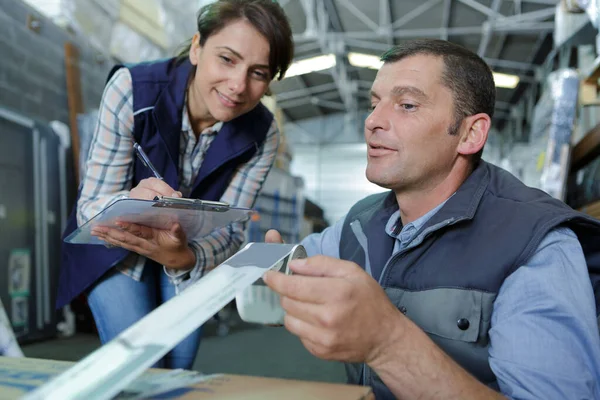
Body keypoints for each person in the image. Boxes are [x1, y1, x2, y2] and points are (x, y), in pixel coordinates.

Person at [263, 39, 600, 399]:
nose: (373, 121)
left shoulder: (535, 245)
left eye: (407, 105)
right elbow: (283, 263)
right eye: (374, 104)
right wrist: (224, 253)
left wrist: (388, 343)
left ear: (470, 134)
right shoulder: (360, 223)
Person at [57, 0, 293, 370]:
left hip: (189, 252)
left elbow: (232, 230)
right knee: (140, 367)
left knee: (177, 366)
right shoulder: (131, 90)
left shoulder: (264, 135)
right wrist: (129, 201)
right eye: (227, 59)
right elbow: (90, 208)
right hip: (114, 246)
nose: (238, 85)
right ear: (197, 47)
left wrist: (185, 257)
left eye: (258, 73)